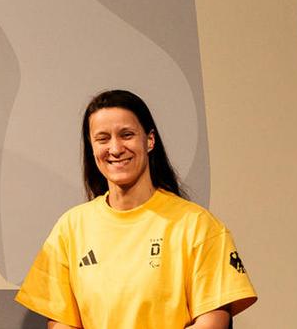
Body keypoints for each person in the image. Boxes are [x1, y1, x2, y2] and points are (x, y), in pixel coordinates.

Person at [15, 89, 256, 329]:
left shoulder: (197, 225)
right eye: (102, 138)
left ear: (150, 140)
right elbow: (61, 323)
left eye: (126, 134)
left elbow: (212, 322)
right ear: (92, 147)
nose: (116, 148)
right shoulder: (70, 228)